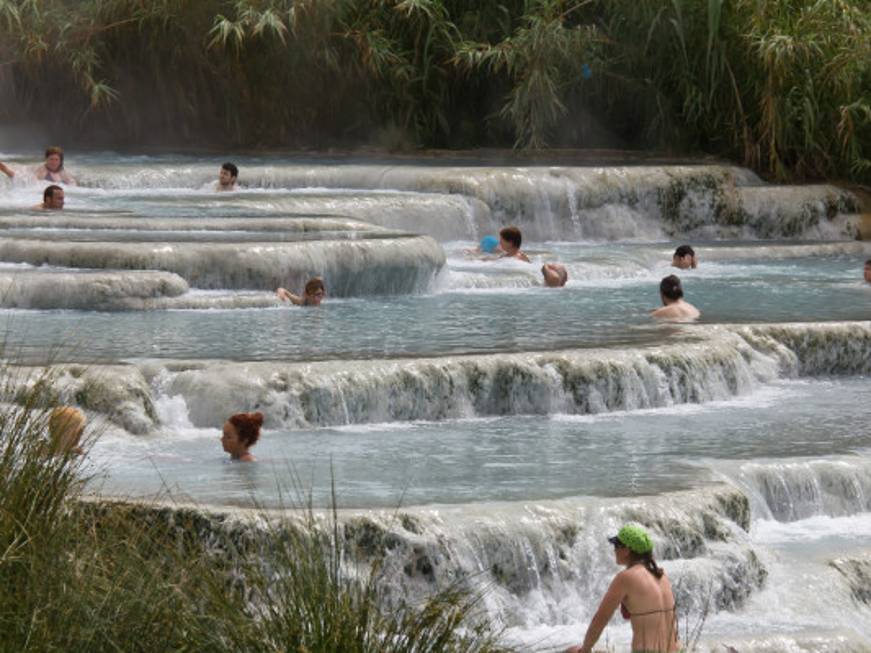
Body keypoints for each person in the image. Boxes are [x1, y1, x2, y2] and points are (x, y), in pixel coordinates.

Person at [565, 524, 680, 653]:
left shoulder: (626, 577)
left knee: (572, 651)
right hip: (675, 651)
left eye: (616, 546)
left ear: (627, 550)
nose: (614, 550)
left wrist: (585, 650)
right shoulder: (661, 575)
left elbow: (600, 619)